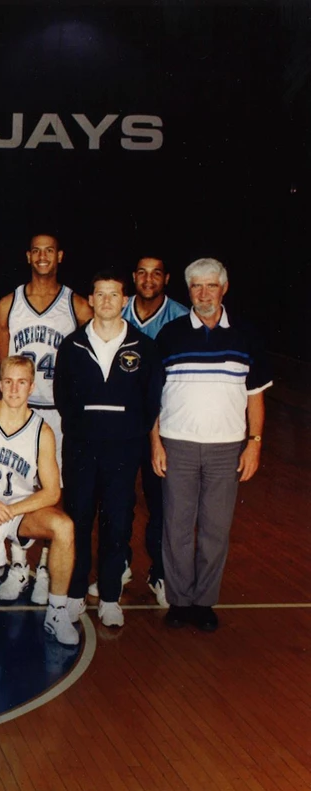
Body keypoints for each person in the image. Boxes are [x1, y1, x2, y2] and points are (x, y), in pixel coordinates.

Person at [153, 258, 271, 632]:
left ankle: (203, 602)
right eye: (196, 287)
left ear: (224, 288)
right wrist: (156, 443)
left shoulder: (247, 335)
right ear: (188, 291)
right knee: (176, 525)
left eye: (211, 286)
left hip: (226, 449)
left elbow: (255, 396)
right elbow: (152, 398)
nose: (203, 294)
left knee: (215, 528)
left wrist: (254, 444)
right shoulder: (169, 335)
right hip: (178, 445)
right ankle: (178, 600)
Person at [53, 270, 163, 627]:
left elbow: (152, 400)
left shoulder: (144, 348)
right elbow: (63, 398)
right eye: (99, 295)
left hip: (123, 451)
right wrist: (85, 429)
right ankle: (74, 593)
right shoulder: (71, 346)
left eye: (113, 295)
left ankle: (111, 595)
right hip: (82, 448)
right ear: (90, 300)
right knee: (79, 518)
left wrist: (127, 432)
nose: (106, 302)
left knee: (117, 522)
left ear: (125, 300)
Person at [0, 233, 91, 602]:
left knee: (55, 489)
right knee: (15, 482)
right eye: (37, 250)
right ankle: (19, 561)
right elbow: (5, 366)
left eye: (50, 250)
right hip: (22, 409)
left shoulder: (77, 305)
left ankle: (49, 562)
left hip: (60, 411)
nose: (43, 256)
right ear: (28, 255)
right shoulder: (9, 304)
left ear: (60, 256)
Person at [0, 356, 80, 645]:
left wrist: (9, 510)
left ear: (31, 386)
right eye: (9, 382)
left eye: (22, 382)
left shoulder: (42, 431)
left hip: (17, 512)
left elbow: (52, 492)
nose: (15, 389)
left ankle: (57, 611)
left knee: (64, 527)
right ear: (0, 384)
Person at [118, 256, 189, 607]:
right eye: (142, 272)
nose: (148, 279)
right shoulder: (116, 309)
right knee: (119, 498)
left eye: (156, 273)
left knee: (161, 501)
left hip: (163, 425)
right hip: (121, 425)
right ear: (134, 276)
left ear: (166, 278)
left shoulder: (180, 317)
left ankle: (160, 572)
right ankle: (118, 566)